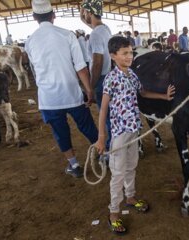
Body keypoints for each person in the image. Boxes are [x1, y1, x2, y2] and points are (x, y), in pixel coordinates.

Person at [94, 36, 175, 234]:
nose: (129, 56)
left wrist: (164, 96)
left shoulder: (132, 74)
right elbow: (103, 109)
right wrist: (102, 136)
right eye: (124, 53)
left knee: (132, 166)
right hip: (120, 135)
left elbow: (144, 93)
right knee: (118, 173)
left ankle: (130, 198)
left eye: (130, 52)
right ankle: (113, 213)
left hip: (134, 131)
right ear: (113, 56)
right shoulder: (110, 79)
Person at [25, 0, 98, 178]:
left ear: (34, 17)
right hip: (71, 93)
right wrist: (89, 90)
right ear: (53, 15)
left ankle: (74, 166)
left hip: (49, 98)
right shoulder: (67, 35)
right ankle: (103, 156)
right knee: (87, 126)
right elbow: (80, 66)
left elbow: (34, 72)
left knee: (60, 132)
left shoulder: (30, 41)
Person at [80, 0, 112, 152]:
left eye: (85, 12)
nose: (84, 15)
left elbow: (97, 62)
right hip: (109, 76)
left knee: (106, 118)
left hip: (101, 80)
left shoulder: (95, 35)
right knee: (111, 116)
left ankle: (112, 150)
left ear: (90, 13)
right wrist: (83, 16)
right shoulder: (105, 29)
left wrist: (91, 87)